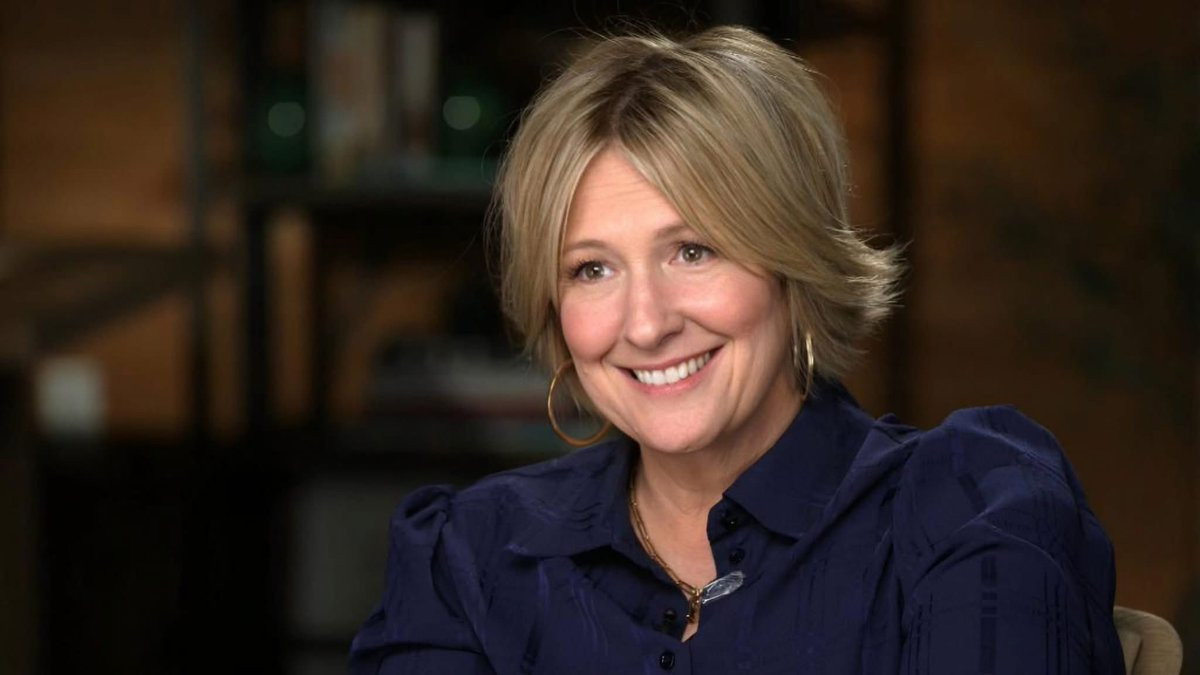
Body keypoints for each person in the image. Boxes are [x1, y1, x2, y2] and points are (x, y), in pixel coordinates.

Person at [349, 25, 1124, 674]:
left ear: (794, 260)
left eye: (694, 251)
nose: (645, 324)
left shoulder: (969, 503)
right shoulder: (470, 556)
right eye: (592, 269)